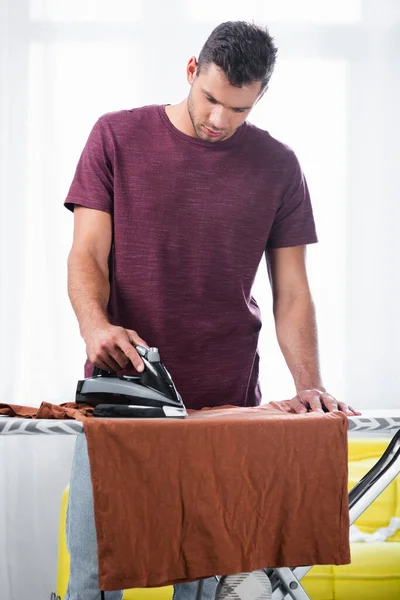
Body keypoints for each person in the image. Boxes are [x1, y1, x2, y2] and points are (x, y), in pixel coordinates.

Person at [64, 20, 361, 600]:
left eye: (240, 110)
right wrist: (95, 326)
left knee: (201, 581)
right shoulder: (115, 137)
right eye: (212, 100)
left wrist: (310, 384)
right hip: (124, 393)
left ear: (261, 97)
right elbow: (87, 253)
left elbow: (293, 292)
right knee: (96, 574)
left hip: (226, 400)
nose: (221, 120)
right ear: (191, 70)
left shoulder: (279, 166)